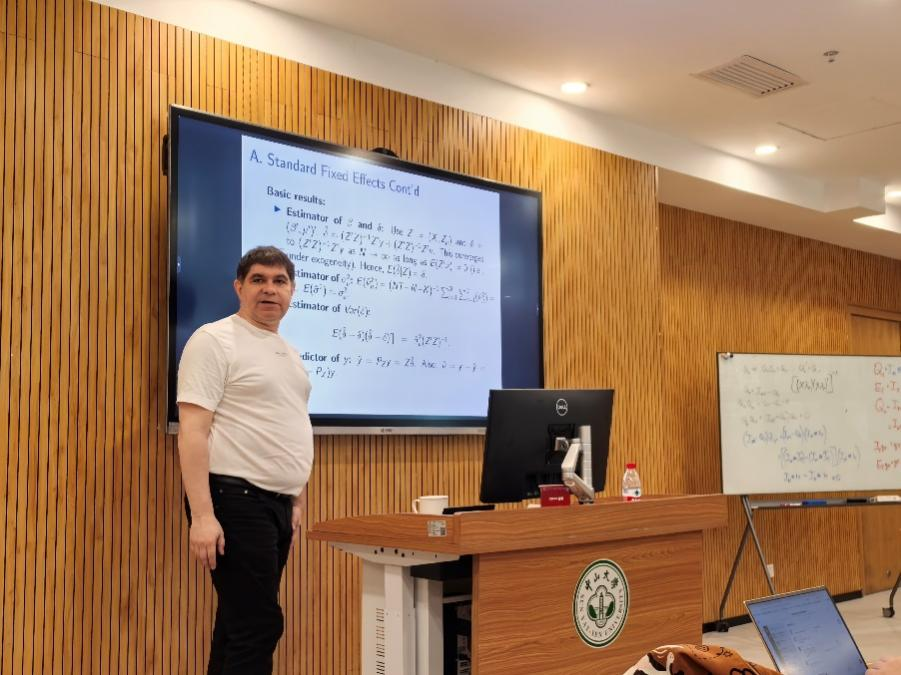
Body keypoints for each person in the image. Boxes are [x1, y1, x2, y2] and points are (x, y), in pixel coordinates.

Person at [177, 245, 314, 675]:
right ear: (239, 288)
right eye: (258, 280)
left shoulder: (290, 353)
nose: (269, 289)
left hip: (276, 507)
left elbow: (289, 424)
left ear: (292, 292)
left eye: (279, 281)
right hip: (233, 500)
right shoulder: (214, 340)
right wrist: (203, 515)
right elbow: (193, 430)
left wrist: (295, 499)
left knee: (238, 625)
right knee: (259, 624)